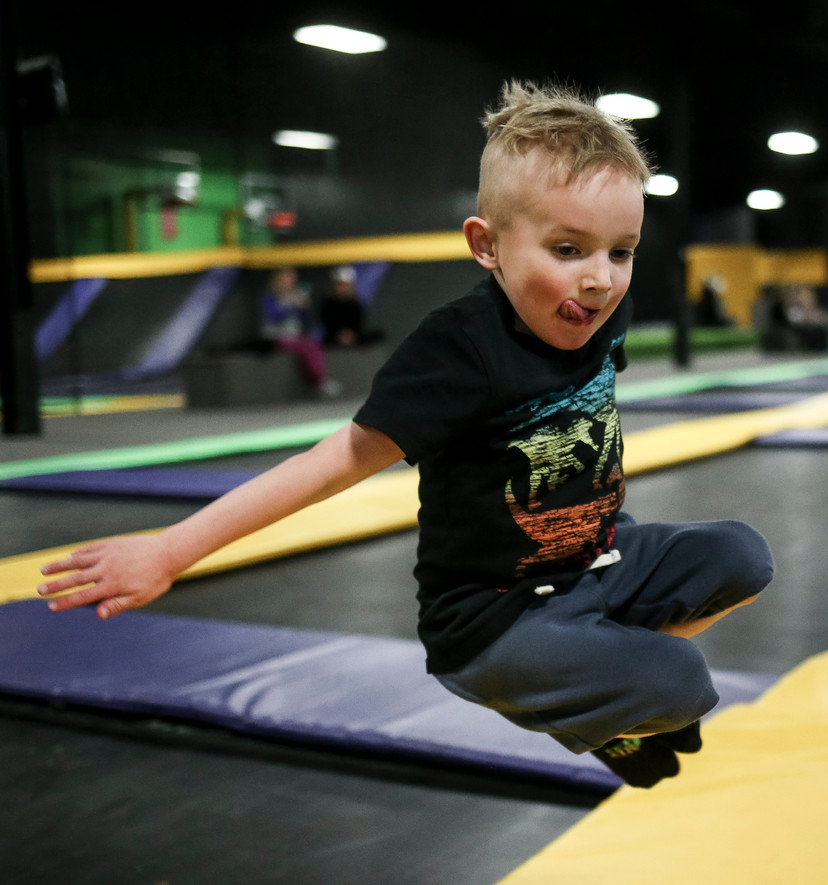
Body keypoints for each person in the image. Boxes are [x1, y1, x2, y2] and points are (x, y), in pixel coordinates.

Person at [37, 80, 774, 789]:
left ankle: (595, 684)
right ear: (486, 245)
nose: (601, 280)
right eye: (568, 249)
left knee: (742, 554)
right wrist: (171, 549)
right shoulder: (457, 351)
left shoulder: (602, 312)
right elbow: (330, 465)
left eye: (622, 250)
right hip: (494, 618)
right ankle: (589, 698)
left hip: (593, 562)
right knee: (682, 683)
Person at [261, 266, 340, 397]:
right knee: (306, 346)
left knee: (312, 345)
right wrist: (291, 307)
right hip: (276, 337)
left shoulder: (296, 295)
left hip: (295, 336)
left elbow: (307, 319)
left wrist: (304, 307)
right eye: (285, 279)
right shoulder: (270, 297)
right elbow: (274, 316)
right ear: (278, 280)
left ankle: (316, 380)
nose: (288, 282)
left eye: (291, 279)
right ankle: (319, 382)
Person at [320, 265, 383, 348]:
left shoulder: (356, 304)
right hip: (333, 338)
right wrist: (340, 335)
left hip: (354, 337)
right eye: (340, 284)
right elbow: (326, 323)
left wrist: (351, 335)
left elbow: (359, 325)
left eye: (346, 285)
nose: (343, 288)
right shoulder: (328, 303)